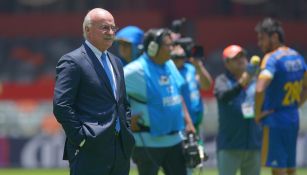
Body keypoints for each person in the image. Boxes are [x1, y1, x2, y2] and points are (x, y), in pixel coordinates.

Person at [53, 8, 135, 175]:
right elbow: (61, 105)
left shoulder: (116, 62)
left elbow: (122, 103)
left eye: (113, 28)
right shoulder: (72, 61)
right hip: (89, 150)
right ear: (87, 30)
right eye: (104, 27)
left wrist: (126, 129)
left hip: (120, 150)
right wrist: (82, 139)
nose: (111, 32)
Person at [124, 28, 195, 175]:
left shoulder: (169, 64)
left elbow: (177, 95)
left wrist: (188, 123)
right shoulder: (135, 70)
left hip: (176, 140)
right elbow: (107, 93)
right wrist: (124, 118)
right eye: (168, 45)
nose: (172, 48)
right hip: (148, 142)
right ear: (153, 47)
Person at [254, 17, 307, 175]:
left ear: (274, 37)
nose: (259, 43)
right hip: (293, 118)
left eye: (262, 38)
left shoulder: (271, 58)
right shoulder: (297, 56)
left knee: (278, 170)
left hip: (275, 120)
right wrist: (296, 105)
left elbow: (259, 89)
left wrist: (257, 114)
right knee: (291, 168)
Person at [214, 45, 262, 175]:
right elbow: (224, 96)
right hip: (230, 145)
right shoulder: (221, 80)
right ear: (227, 63)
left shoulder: (256, 81)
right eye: (235, 58)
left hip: (253, 143)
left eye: (242, 56)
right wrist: (243, 81)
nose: (240, 59)